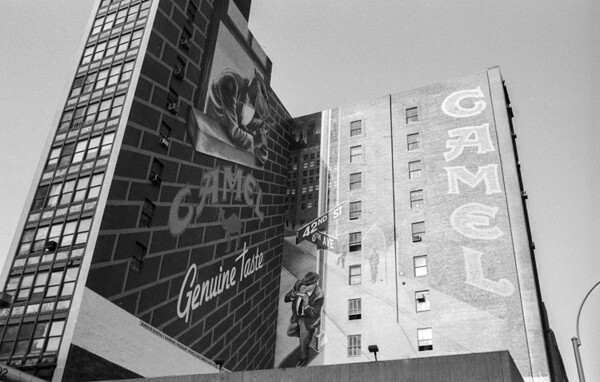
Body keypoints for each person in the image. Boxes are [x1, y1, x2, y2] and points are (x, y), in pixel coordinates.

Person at [205, 68, 270, 165]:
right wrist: (255, 143)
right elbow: (234, 132)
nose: (252, 107)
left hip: (222, 132)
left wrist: (251, 132)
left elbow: (238, 122)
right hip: (212, 131)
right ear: (254, 90)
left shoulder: (244, 90)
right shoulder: (229, 82)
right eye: (253, 104)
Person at [284, 271, 324, 367]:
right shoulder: (298, 284)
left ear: (315, 283)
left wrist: (306, 305)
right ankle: (307, 339)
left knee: (303, 343)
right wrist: (293, 295)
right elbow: (286, 298)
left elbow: (314, 314)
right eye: (303, 283)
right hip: (297, 316)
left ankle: (303, 359)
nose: (304, 287)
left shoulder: (319, 295)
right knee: (289, 332)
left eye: (307, 285)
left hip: (308, 320)